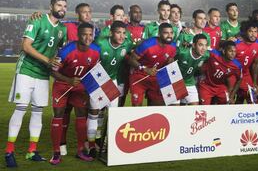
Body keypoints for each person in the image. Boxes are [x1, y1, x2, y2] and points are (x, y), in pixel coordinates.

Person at [5, 0, 67, 168]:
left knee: (38, 111)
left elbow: (59, 51)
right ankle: (9, 152)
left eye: (64, 6)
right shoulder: (38, 20)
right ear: (51, 6)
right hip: (26, 70)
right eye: (59, 5)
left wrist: (56, 62)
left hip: (43, 75)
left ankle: (31, 151)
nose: (62, 8)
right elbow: (25, 46)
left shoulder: (62, 29)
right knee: (21, 108)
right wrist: (47, 60)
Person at [49, 23, 100, 165]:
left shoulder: (96, 51)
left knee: (81, 114)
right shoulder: (66, 51)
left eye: (91, 34)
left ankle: (80, 150)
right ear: (78, 35)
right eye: (85, 34)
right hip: (62, 84)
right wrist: (68, 80)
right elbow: (53, 71)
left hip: (79, 85)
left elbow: (93, 71)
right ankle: (56, 153)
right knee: (59, 114)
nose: (88, 37)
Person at [89, 21, 133, 157]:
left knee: (113, 114)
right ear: (111, 33)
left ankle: (108, 145)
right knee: (94, 113)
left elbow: (140, 47)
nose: (121, 36)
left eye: (123, 33)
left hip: (112, 81)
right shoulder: (100, 44)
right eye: (118, 32)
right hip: (98, 79)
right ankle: (91, 145)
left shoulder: (126, 44)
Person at [129, 23, 177, 106]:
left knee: (157, 106)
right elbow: (131, 59)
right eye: (166, 33)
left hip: (156, 78)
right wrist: (144, 69)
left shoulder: (173, 46)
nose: (169, 36)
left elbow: (170, 58)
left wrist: (170, 61)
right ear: (159, 34)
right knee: (136, 107)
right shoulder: (147, 44)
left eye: (171, 33)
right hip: (139, 76)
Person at [176, 34, 210, 105]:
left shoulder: (206, 55)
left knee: (195, 108)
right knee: (175, 108)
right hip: (175, 82)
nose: (203, 48)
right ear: (194, 45)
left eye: (205, 45)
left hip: (189, 81)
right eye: (200, 45)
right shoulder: (182, 53)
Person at [234, 20, 258, 104]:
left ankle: (255, 116)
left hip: (245, 74)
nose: (253, 34)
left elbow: (255, 64)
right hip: (232, 74)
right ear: (245, 32)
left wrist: (254, 82)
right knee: (230, 98)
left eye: (255, 31)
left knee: (253, 98)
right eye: (250, 31)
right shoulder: (236, 44)